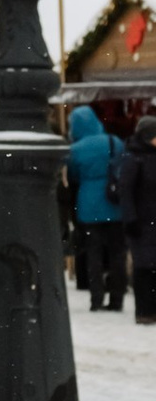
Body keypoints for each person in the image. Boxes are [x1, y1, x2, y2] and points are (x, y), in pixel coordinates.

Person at [67, 99, 128, 314]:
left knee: (93, 254)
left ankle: (96, 298)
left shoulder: (74, 149)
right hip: (114, 203)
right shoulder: (114, 142)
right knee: (117, 253)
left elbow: (73, 176)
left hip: (88, 205)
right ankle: (117, 297)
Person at [118, 114, 156, 325]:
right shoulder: (134, 157)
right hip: (141, 223)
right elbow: (126, 190)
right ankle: (145, 311)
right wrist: (130, 219)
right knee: (144, 266)